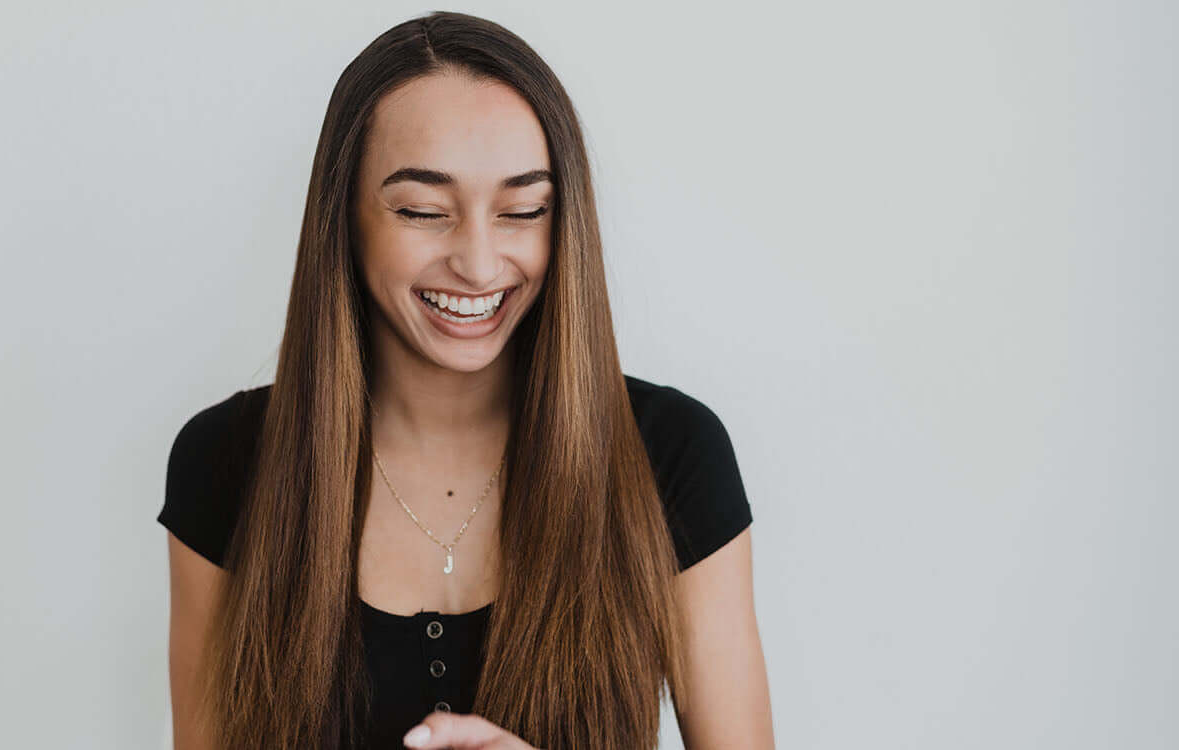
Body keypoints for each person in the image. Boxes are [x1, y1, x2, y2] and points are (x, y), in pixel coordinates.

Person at [157, 11, 774, 750]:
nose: (479, 265)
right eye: (423, 210)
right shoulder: (225, 464)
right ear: (344, 218)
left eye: (522, 210)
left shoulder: (673, 454)